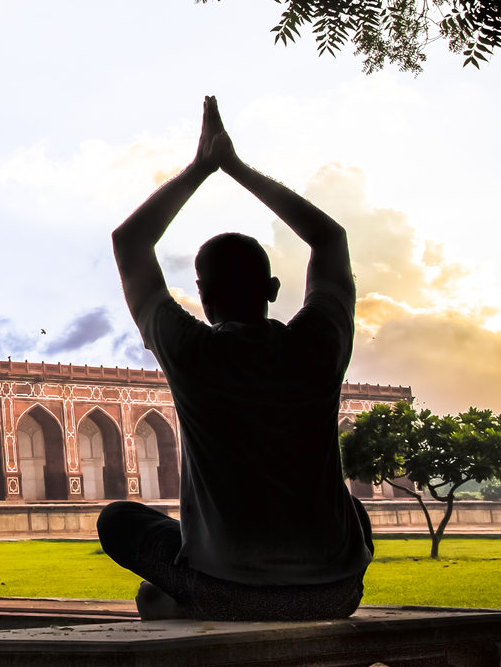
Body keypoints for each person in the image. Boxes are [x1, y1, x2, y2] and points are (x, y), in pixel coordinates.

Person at [100, 96, 372, 621]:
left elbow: (130, 240)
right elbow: (330, 238)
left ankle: (180, 598)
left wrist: (202, 167)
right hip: (336, 592)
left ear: (202, 295)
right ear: (272, 288)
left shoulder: (193, 352)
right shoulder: (319, 344)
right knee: (353, 509)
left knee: (119, 521)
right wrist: (238, 169)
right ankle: (183, 595)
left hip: (228, 588)